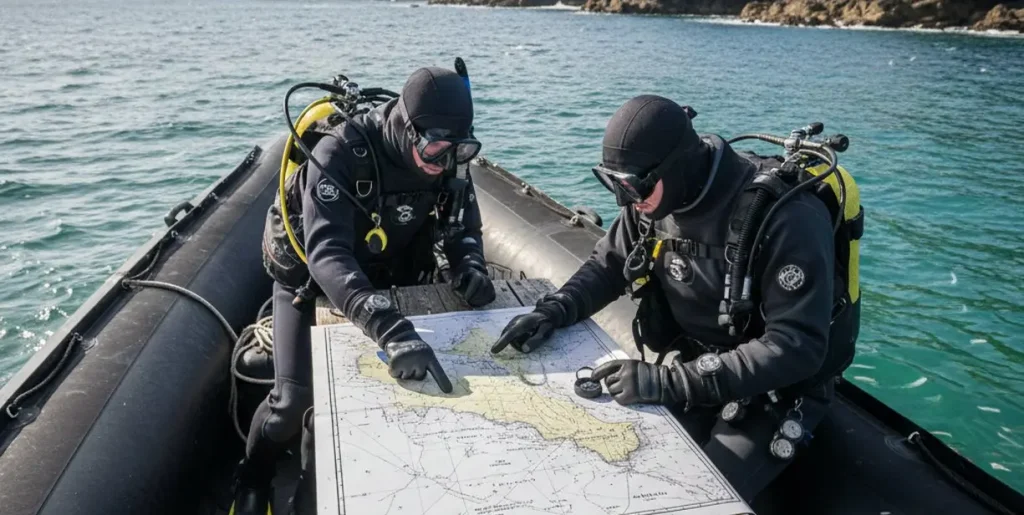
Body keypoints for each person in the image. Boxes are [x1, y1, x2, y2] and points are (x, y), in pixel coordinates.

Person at [491, 94, 859, 503]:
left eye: (633, 186)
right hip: (695, 364)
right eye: (614, 183)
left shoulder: (787, 217)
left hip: (772, 390)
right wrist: (555, 309)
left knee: (685, 501)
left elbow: (796, 345)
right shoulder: (651, 198)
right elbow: (608, 266)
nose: (626, 199)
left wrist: (669, 382)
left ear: (677, 164)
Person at [233, 66, 497, 514]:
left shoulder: (449, 155)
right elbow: (327, 254)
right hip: (314, 283)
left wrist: (470, 266)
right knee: (292, 403)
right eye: (434, 148)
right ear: (408, 128)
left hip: (394, 274)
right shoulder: (340, 153)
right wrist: (389, 329)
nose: (443, 161)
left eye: (460, 149)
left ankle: (315, 493)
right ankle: (253, 481)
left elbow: (462, 228)